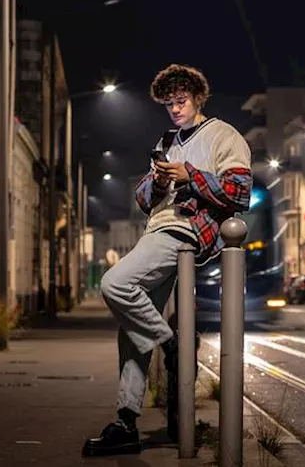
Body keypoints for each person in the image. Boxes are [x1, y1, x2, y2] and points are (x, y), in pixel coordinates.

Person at [83, 64, 252, 457]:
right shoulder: (166, 140)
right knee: (131, 331)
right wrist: (159, 181)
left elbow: (239, 192)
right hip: (157, 229)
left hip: (184, 231)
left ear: (197, 98)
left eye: (181, 101)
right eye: (168, 103)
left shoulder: (223, 135)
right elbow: (143, 200)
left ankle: (173, 345)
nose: (175, 109)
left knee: (114, 284)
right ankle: (126, 421)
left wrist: (189, 175)